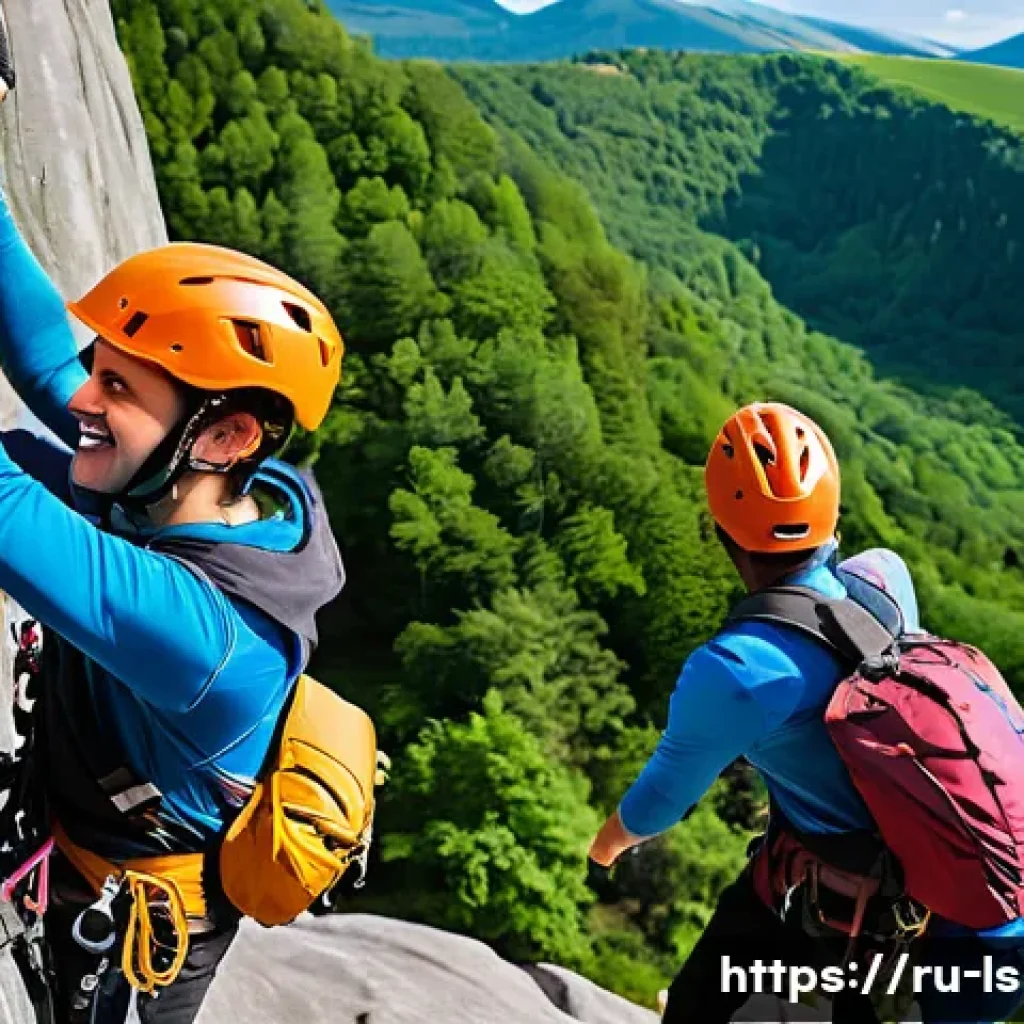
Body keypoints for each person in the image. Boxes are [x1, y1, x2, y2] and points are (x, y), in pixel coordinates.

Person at [0, 180, 346, 1024]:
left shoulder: (204, 638)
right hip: (82, 861)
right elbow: (47, 363)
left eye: (118, 390)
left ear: (226, 435)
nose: (84, 399)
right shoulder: (218, 491)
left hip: (120, 958)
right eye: (103, 372)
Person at [589, 401, 1024, 1024]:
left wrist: (603, 850)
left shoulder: (736, 671)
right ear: (833, 514)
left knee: (696, 1008)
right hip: (976, 914)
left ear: (720, 529)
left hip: (862, 913)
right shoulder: (883, 581)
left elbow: (660, 802)